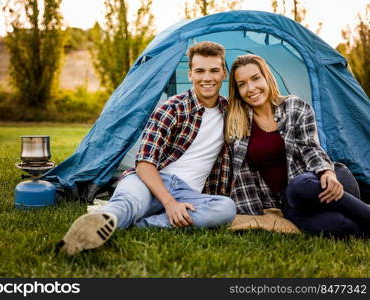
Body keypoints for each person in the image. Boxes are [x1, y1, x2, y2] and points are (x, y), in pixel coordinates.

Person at [60, 41, 236, 255]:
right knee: (129, 202)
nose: (207, 78)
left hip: (188, 194)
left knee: (226, 208)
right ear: (190, 74)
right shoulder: (171, 108)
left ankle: (137, 224)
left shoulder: (231, 112)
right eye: (200, 71)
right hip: (149, 180)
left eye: (214, 71)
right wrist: (169, 203)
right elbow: (145, 164)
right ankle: (102, 222)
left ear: (224, 74)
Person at [226, 53, 370, 238]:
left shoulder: (295, 106)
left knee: (300, 185)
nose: (251, 88)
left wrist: (326, 172)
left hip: (326, 181)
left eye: (255, 78)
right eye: (242, 84)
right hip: (291, 202)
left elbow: (310, 147)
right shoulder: (236, 123)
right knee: (338, 226)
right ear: (237, 90)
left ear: (267, 77)